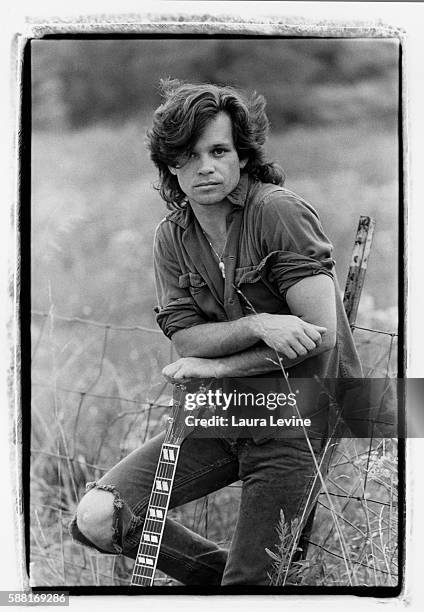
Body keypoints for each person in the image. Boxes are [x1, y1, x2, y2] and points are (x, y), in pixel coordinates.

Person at [69, 79, 362, 586]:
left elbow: (321, 337)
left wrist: (218, 364)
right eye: (188, 154)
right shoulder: (173, 236)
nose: (206, 166)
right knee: (99, 517)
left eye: (219, 150)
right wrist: (257, 324)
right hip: (221, 412)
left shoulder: (277, 212)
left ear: (242, 157)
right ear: (170, 165)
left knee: (248, 586)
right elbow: (186, 342)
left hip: (297, 420)